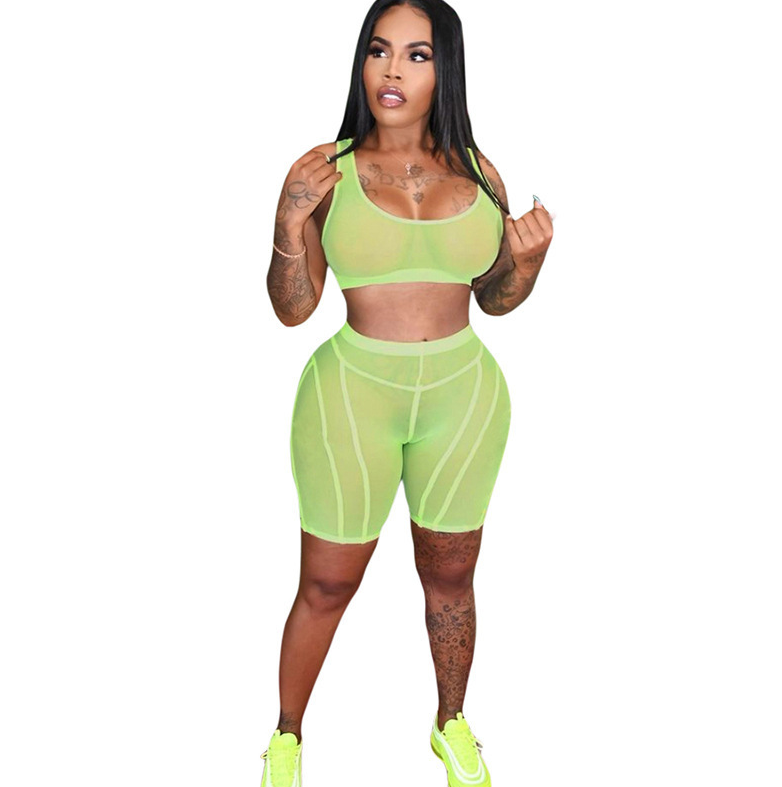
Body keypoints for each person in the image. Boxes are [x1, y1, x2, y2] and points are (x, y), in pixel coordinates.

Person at [263, 1, 553, 784]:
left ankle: (451, 723)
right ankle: (286, 738)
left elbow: (493, 298)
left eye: (417, 55)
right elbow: (292, 308)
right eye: (379, 50)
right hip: (351, 396)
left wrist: (526, 264)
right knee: (327, 582)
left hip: (464, 398)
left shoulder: (480, 172)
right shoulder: (325, 170)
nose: (392, 70)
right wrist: (288, 224)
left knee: (451, 580)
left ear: (443, 69)